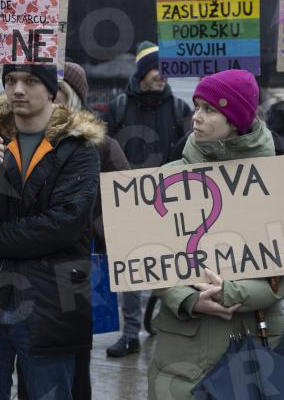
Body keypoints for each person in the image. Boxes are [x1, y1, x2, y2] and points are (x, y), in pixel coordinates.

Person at [0, 63, 102, 400]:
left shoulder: (78, 147)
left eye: (31, 80)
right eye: (10, 80)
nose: (18, 89)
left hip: (52, 303)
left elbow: (62, 226)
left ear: (52, 90)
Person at [148, 69, 284, 400]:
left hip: (252, 344)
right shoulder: (169, 176)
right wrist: (187, 298)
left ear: (236, 120)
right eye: (196, 107)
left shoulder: (275, 180)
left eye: (209, 109)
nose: (196, 117)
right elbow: (147, 258)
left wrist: (230, 292)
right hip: (183, 347)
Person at [104, 41, 192, 357]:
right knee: (129, 268)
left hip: (170, 201)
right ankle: (130, 334)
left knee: (172, 267)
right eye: (157, 68)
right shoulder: (119, 107)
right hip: (128, 200)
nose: (162, 75)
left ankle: (170, 326)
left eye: (165, 69)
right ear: (143, 72)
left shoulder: (180, 109)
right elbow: (103, 148)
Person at [56, 63, 130, 400]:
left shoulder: (101, 146)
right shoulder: (20, 141)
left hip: (79, 263)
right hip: (31, 265)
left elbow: (127, 203)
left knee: (74, 352)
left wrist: (94, 229)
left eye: (56, 93)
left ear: (72, 98)